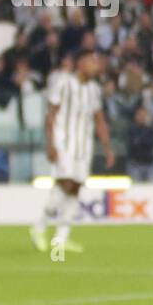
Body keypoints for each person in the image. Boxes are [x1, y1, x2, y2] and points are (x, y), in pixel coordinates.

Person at [31, 50, 113, 255]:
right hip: (64, 142)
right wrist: (50, 143)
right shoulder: (63, 82)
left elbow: (99, 119)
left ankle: (60, 240)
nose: (96, 65)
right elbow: (51, 115)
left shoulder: (94, 89)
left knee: (76, 187)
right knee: (65, 182)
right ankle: (39, 226)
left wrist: (107, 148)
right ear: (80, 63)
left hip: (84, 145)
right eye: (91, 60)